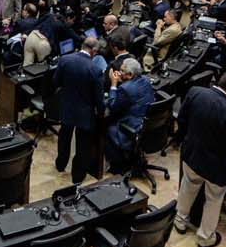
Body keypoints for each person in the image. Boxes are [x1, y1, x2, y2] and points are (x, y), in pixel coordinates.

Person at [174, 72, 226, 247]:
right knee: (213, 200)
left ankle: (180, 222)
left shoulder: (195, 92)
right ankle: (205, 238)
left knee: (187, 187)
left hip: (191, 154)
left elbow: (181, 119)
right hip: (216, 166)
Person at [54, 35, 104, 184]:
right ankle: (77, 176)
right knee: (83, 145)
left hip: (67, 107)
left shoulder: (65, 60)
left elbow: (56, 81)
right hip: (85, 113)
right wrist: (100, 113)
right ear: (94, 51)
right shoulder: (95, 69)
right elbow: (98, 98)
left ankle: (60, 164)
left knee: (64, 136)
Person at [105, 58, 155, 172]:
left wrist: (114, 84)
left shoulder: (125, 89)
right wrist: (124, 79)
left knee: (107, 127)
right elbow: (134, 90)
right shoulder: (146, 80)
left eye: (122, 71)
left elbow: (113, 106)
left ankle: (117, 166)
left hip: (133, 128)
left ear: (131, 74)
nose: (119, 72)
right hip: (148, 125)